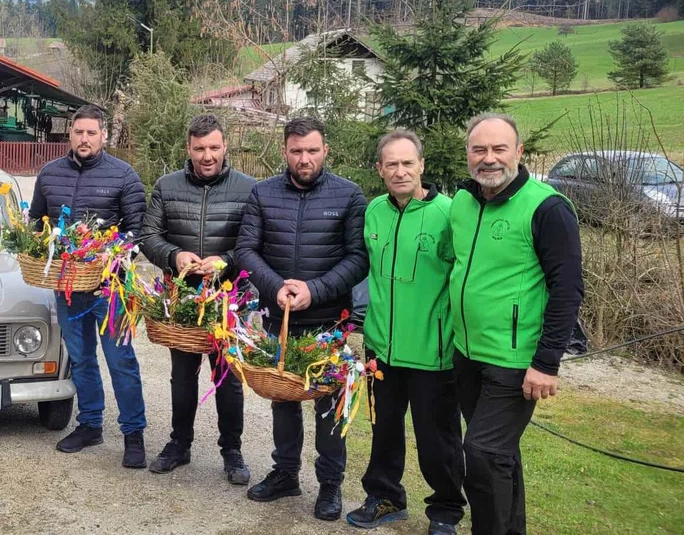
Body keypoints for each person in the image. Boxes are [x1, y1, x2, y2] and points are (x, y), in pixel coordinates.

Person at [449, 113, 583, 535]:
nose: (489, 159)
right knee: (500, 456)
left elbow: (567, 290)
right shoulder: (463, 203)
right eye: (479, 149)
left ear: (519, 152)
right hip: (467, 353)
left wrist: (547, 362)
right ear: (468, 154)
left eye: (499, 149)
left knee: (484, 454)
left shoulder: (547, 208)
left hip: (515, 359)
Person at [234, 115, 368, 522]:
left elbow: (359, 258)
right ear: (285, 152)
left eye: (312, 150)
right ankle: (285, 473)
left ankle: (330, 485)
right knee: (284, 398)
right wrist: (276, 286)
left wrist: (316, 290)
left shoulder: (350, 196)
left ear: (325, 150)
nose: (304, 158)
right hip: (281, 316)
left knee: (328, 404)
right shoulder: (263, 193)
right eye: (297, 151)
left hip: (328, 319)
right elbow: (246, 250)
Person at [346, 130, 465, 535]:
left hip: (433, 352)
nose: (400, 171)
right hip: (381, 349)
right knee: (384, 432)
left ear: (422, 166)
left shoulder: (450, 214)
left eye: (407, 163)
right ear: (380, 169)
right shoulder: (374, 211)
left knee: (439, 442)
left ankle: (446, 512)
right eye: (391, 164)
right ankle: (385, 499)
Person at [27, 104, 148, 468]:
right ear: (70, 134)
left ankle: (133, 434)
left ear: (103, 136)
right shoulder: (49, 174)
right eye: (79, 132)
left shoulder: (124, 176)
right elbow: (37, 221)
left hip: (110, 288)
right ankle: (90, 424)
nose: (84, 138)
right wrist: (37, 246)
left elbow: (137, 231)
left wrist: (106, 254)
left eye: (91, 133)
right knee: (81, 359)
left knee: (120, 361)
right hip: (66, 287)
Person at [139, 114, 256, 484]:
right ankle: (179, 443)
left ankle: (232, 451)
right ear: (188, 148)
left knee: (228, 377)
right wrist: (174, 257)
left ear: (225, 147)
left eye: (214, 147)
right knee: (182, 376)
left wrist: (228, 261)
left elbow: (255, 243)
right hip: (183, 298)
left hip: (228, 299)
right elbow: (149, 235)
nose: (207, 155)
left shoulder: (250, 189)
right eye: (200, 148)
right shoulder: (166, 185)